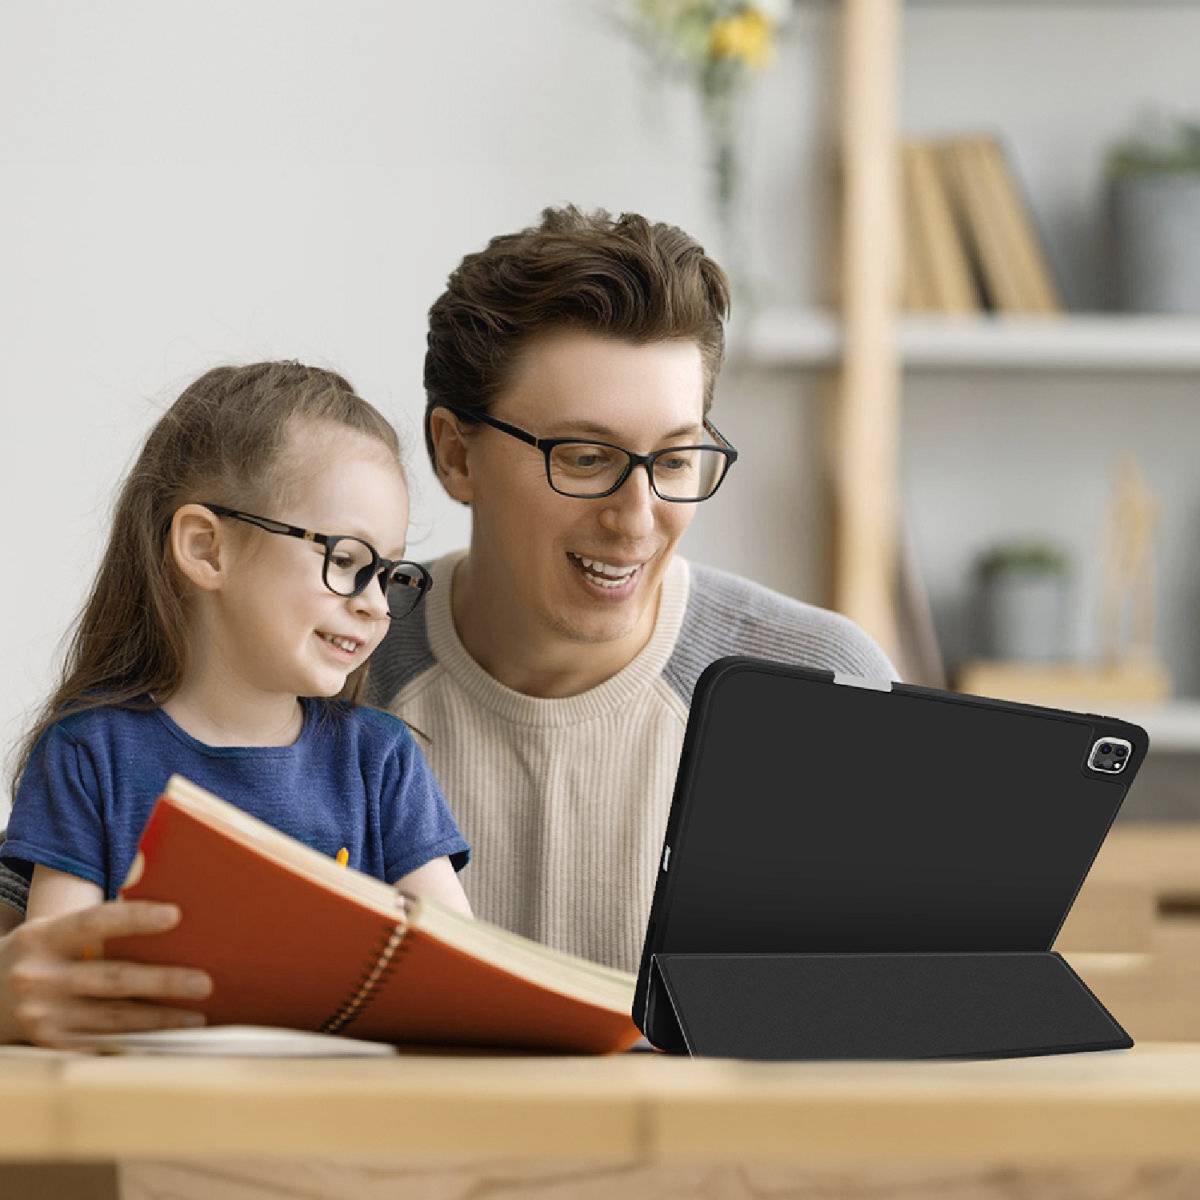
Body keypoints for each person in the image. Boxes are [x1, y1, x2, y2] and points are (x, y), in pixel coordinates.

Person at [366, 205, 896, 974]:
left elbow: (889, 1041)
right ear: (456, 455)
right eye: (584, 458)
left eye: (676, 461)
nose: (636, 518)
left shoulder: (821, 686)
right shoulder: (336, 661)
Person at [0, 362, 470, 1046]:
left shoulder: (381, 759)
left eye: (389, 572)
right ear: (206, 548)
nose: (374, 604)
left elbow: (464, 974)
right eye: (346, 560)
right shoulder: (87, 756)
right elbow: (58, 995)